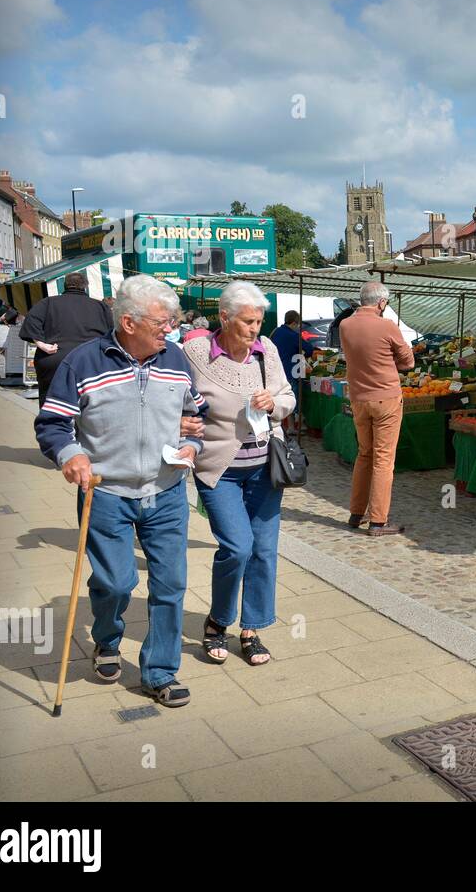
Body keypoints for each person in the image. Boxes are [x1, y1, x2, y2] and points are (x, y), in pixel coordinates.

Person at [34, 275, 205, 708]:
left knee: (170, 585)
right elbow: (53, 423)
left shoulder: (177, 360)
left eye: (173, 321)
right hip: (105, 492)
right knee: (115, 582)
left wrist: (193, 443)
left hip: (165, 492)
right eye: (163, 321)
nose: (171, 329)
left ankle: (160, 672)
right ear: (129, 322)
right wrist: (71, 454)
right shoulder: (83, 362)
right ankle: (107, 640)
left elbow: (196, 415)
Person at [183, 281, 296, 666]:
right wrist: (186, 425)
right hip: (220, 470)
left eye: (259, 321)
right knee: (237, 546)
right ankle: (217, 621)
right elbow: (180, 400)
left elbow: (288, 396)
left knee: (264, 550)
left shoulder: (268, 351)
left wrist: (274, 403)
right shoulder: (197, 353)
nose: (255, 329)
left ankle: (252, 629)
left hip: (265, 469)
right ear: (225, 317)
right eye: (248, 321)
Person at [339, 282, 414, 534]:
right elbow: (408, 361)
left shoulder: (345, 325)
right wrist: (389, 359)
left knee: (364, 455)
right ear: (381, 303)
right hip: (386, 398)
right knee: (383, 460)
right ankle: (379, 520)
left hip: (359, 398)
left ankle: (356, 512)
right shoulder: (386, 325)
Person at [19, 273, 114, 407]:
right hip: (90, 360)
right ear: (85, 286)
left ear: (65, 285)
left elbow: (31, 323)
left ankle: (54, 425)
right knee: (91, 405)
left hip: (55, 358)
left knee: (52, 404)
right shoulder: (100, 306)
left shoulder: (48, 303)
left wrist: (43, 345)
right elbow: (112, 334)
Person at [270, 309, 303, 411]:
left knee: (281, 399)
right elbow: (309, 349)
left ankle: (290, 425)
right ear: (293, 323)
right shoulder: (293, 335)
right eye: (298, 325)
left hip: (276, 372)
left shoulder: (276, 332)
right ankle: (293, 425)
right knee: (291, 399)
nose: (298, 327)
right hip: (290, 372)